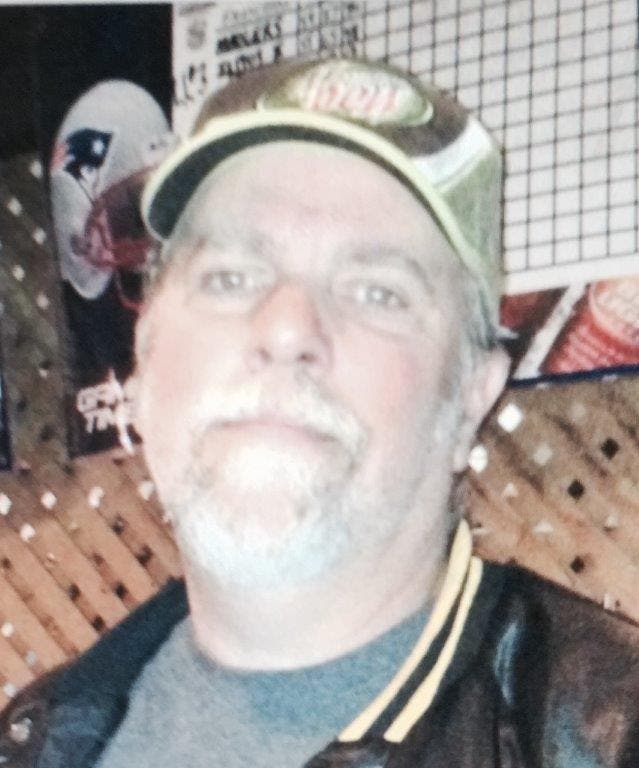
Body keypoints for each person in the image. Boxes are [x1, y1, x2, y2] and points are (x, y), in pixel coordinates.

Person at [2, 58, 638, 768]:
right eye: (229, 277)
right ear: (146, 362)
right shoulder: (38, 738)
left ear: (470, 399)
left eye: (376, 291)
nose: (285, 328)